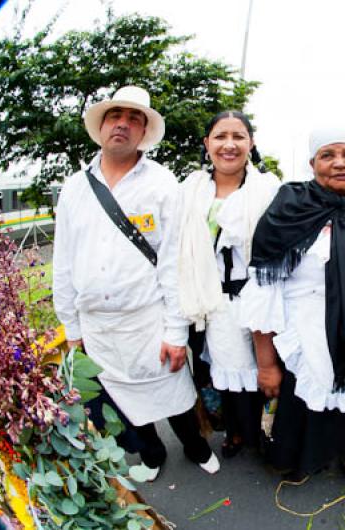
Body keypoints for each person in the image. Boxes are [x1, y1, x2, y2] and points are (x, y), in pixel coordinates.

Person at [52, 85, 219, 481]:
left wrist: (176, 332)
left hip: (148, 317)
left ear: (144, 132)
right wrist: (71, 330)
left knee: (173, 392)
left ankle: (195, 447)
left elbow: (173, 262)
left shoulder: (162, 184)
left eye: (134, 119)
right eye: (115, 116)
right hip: (96, 324)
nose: (123, 125)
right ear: (101, 126)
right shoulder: (75, 188)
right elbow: (63, 262)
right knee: (119, 398)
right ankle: (150, 454)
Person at [240, 128, 345, 480]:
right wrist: (266, 363)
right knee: (307, 405)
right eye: (328, 155)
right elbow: (264, 288)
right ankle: (305, 461)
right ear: (312, 164)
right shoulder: (290, 206)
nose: (339, 163)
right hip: (309, 334)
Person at [177, 111, 281, 457]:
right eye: (220, 136)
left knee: (266, 373)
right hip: (211, 300)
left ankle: (263, 434)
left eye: (238, 136)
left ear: (251, 143)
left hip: (259, 293)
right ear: (207, 144)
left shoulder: (268, 189)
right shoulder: (191, 191)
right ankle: (235, 431)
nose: (229, 144)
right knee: (226, 375)